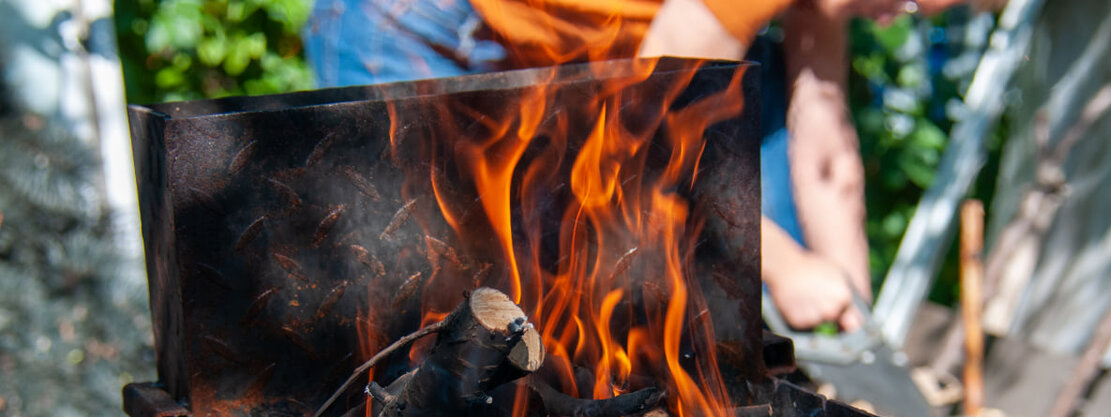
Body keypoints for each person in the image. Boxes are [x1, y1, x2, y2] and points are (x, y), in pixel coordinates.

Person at [303, 0, 965, 331]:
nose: (892, 20)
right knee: (442, 297)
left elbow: (822, 133)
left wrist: (855, 311)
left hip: (599, 58)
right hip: (436, 26)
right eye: (906, 2)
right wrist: (787, 266)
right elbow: (638, 143)